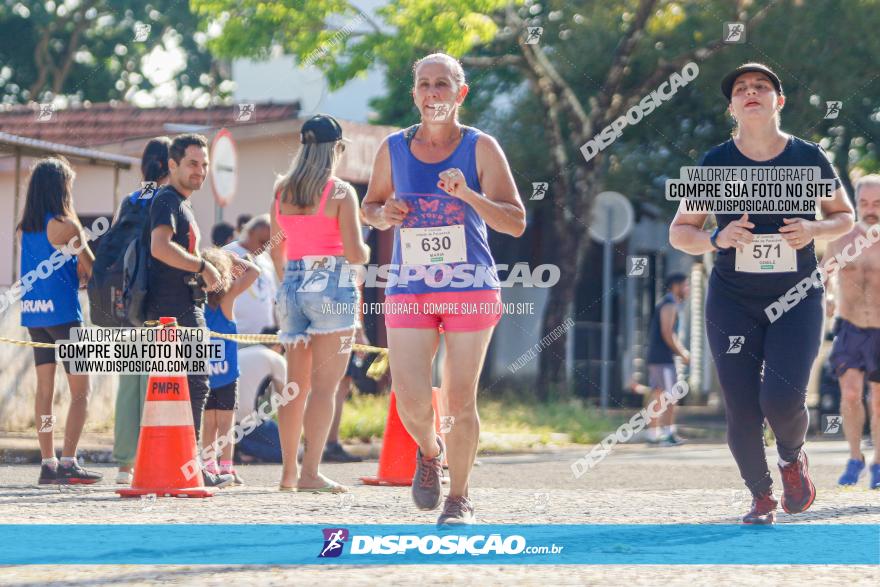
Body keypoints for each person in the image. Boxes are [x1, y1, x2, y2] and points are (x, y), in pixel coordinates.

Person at [669, 63, 854, 524]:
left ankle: (792, 459)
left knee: (781, 398)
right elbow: (680, 231)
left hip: (798, 296)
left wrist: (813, 227)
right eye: (741, 89)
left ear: (779, 101)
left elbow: (844, 217)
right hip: (733, 299)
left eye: (762, 87)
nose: (751, 92)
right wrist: (715, 237)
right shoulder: (714, 164)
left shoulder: (809, 157)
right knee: (742, 405)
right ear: (732, 107)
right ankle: (761, 495)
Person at [362, 53, 526, 525]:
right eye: (424, 85)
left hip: (469, 285)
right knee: (411, 397)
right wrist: (382, 215)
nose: (432, 93)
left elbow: (515, 222)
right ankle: (430, 451)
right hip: (409, 284)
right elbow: (369, 207)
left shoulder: (481, 148)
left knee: (458, 398)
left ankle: (460, 498)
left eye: (442, 84)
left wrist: (469, 196)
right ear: (414, 94)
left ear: (460, 94)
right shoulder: (392, 148)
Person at [269, 113, 370, 492]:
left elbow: (277, 247)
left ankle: (288, 474)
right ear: (337, 149)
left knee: (294, 386)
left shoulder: (281, 190)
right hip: (331, 284)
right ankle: (311, 473)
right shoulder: (340, 192)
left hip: (292, 283)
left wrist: (288, 282)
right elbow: (355, 252)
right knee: (325, 389)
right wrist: (368, 245)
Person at [146, 133, 233, 488]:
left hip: (178, 308)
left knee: (182, 388)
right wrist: (202, 267)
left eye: (205, 165)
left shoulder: (180, 202)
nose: (200, 171)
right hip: (175, 309)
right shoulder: (167, 199)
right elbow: (159, 247)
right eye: (192, 164)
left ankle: (177, 466)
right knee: (196, 385)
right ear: (172, 165)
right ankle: (190, 466)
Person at [18, 157, 102, 484]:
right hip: (65, 315)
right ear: (60, 187)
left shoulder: (27, 228)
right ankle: (69, 460)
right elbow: (92, 268)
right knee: (82, 390)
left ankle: (48, 462)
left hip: (34, 313)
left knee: (44, 391)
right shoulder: (67, 225)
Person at [112, 137, 171, 485]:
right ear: (172, 164)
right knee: (159, 383)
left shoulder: (130, 200)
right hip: (159, 301)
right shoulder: (168, 200)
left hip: (127, 303)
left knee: (129, 386)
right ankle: (157, 460)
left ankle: (124, 465)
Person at [824, 174, 880, 489]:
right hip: (849, 328)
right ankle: (855, 456)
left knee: (878, 402)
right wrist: (830, 295)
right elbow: (822, 275)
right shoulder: (841, 239)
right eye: (864, 203)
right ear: (856, 203)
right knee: (850, 394)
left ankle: (878, 463)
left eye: (878, 203)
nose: (870, 210)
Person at [200, 247, 259, 485]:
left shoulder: (197, 302)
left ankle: (210, 465)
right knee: (225, 423)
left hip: (206, 374)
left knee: (210, 423)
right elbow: (254, 272)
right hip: (225, 375)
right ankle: (226, 467)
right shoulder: (228, 297)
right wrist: (234, 259)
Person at [645, 273, 690, 446]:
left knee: (658, 395)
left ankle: (653, 434)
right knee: (670, 397)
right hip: (663, 359)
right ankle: (667, 434)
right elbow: (667, 333)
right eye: (685, 285)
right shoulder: (669, 305)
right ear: (675, 286)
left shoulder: (668, 304)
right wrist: (683, 353)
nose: (687, 289)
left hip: (658, 358)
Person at [236, 333, 288, 463]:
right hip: (247, 422)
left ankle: (236, 447)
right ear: (277, 345)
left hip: (226, 419)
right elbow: (285, 400)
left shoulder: (243, 352)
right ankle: (241, 446)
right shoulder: (276, 358)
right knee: (288, 452)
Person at [223, 214, 278, 335]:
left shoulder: (266, 259)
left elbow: (271, 297)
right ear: (250, 232)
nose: (264, 247)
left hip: (265, 337)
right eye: (262, 241)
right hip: (237, 334)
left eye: (268, 243)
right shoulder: (227, 253)